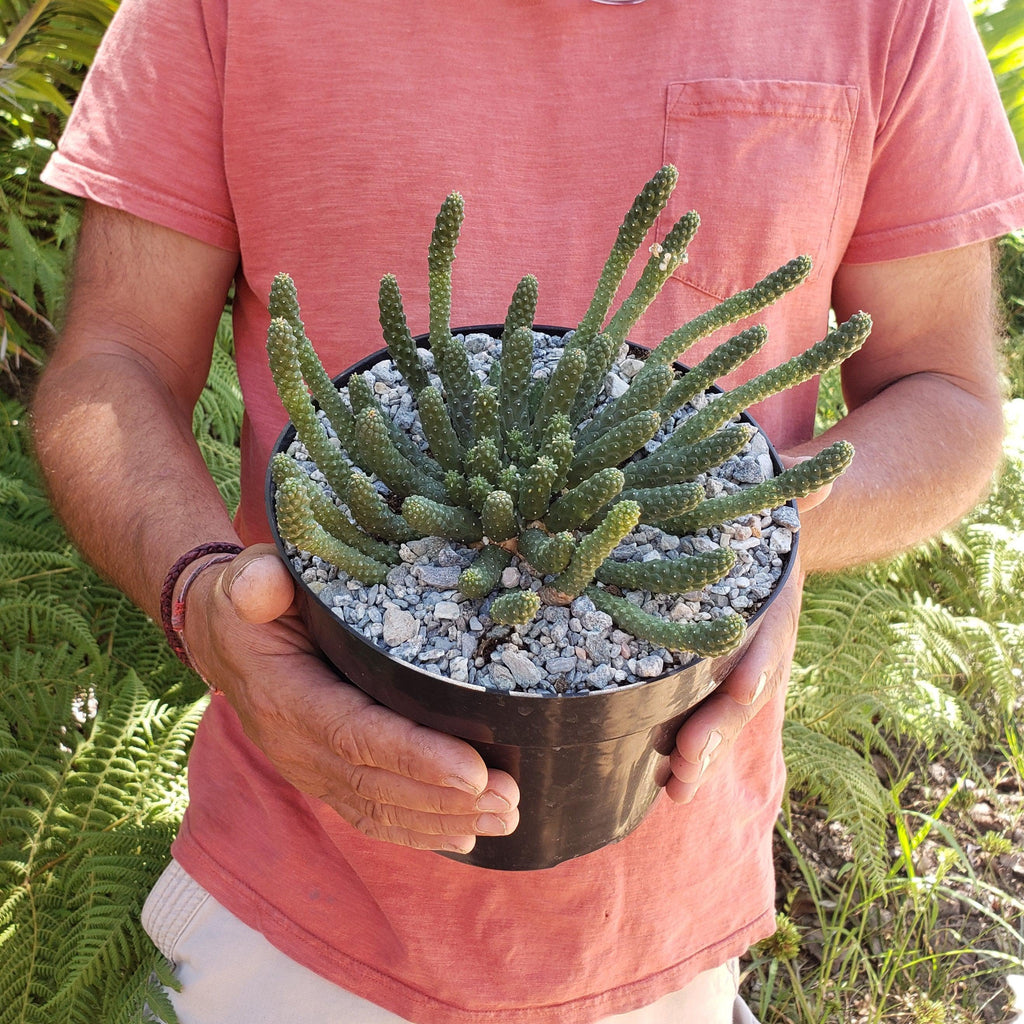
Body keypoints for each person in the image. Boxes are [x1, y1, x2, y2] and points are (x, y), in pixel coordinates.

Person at [32, 1, 1024, 1021]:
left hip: (662, 915)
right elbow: (113, 364)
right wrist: (203, 598)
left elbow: (945, 394)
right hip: (288, 914)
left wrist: (755, 533)